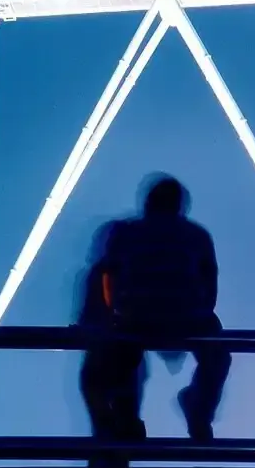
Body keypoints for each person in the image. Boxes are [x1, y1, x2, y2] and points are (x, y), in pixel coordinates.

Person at [78, 176, 229, 448]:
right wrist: (197, 311)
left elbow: (108, 277)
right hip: (188, 318)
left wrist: (106, 315)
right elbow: (210, 284)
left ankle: (124, 423)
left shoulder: (126, 233)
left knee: (118, 358)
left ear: (148, 203)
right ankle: (198, 409)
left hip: (134, 318)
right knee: (218, 355)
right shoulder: (197, 235)